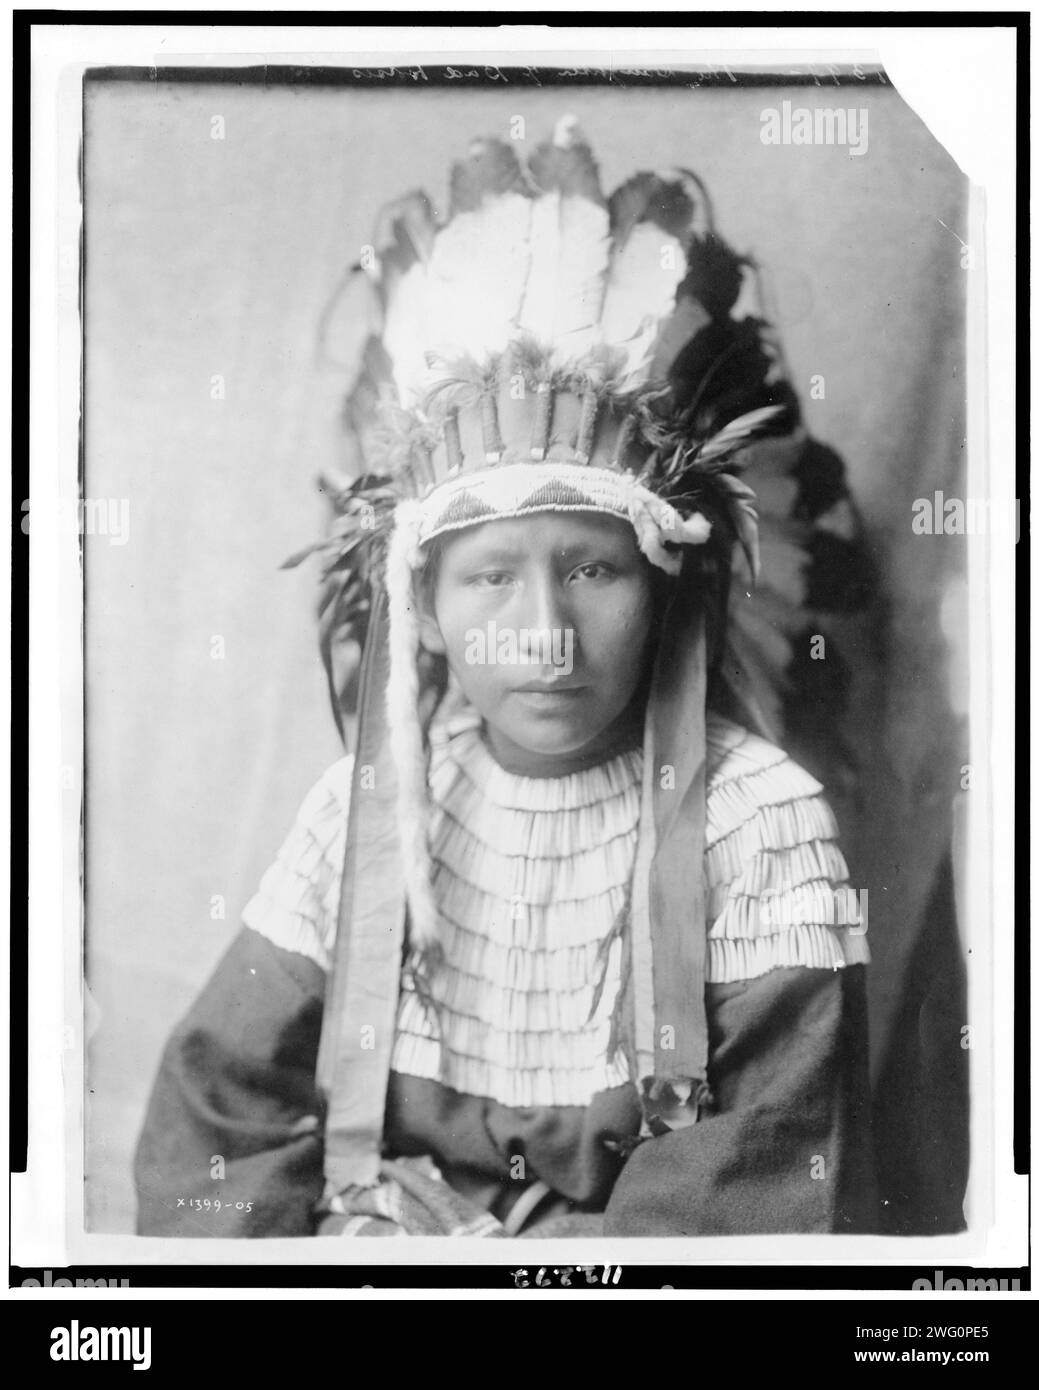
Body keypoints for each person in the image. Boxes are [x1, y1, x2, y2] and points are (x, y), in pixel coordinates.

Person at [134, 120, 877, 1238]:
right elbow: (215, 1120)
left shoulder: (759, 827)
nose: (544, 634)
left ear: (666, 583)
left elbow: (762, 1193)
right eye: (488, 578)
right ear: (423, 611)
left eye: (591, 568)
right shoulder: (363, 818)